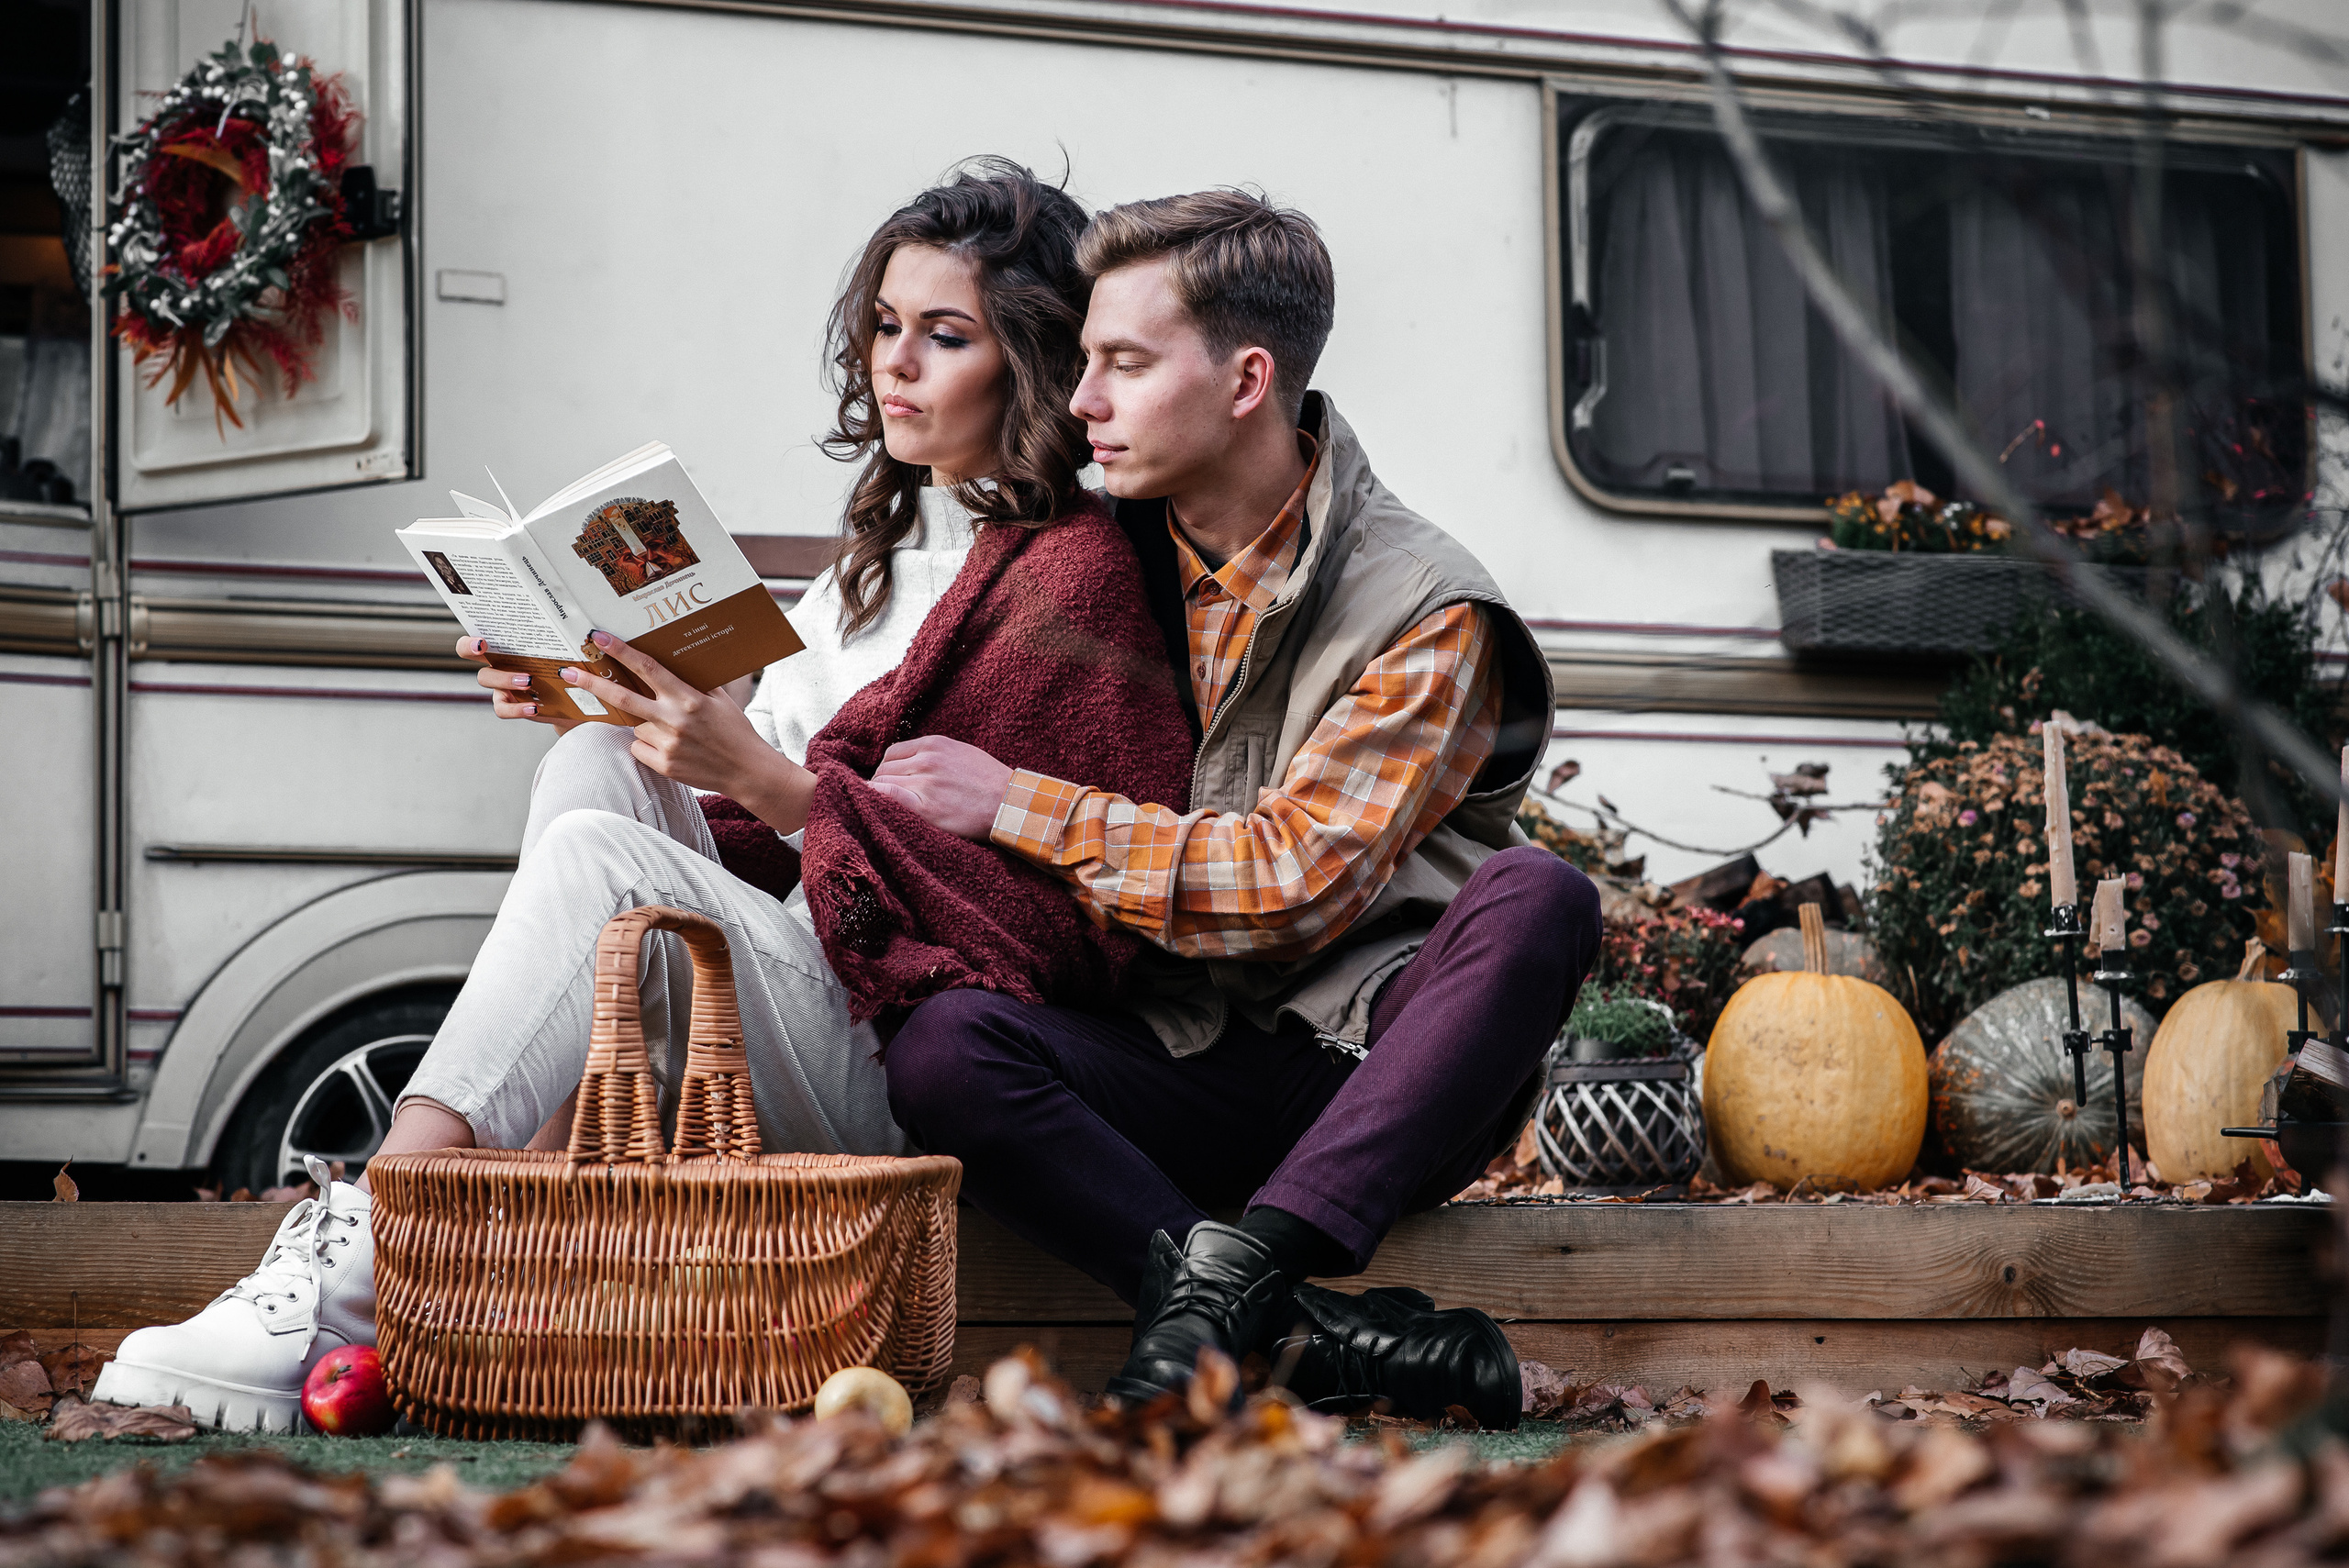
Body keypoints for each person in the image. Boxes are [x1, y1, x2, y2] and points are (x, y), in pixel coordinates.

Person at [91, 158, 1151, 1434]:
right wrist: (588, 694)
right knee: (590, 769)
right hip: (791, 992)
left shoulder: (1077, 576)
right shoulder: (870, 564)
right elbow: (749, 821)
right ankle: (511, 1216)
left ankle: (374, 1251)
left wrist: (762, 775)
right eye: (883, 326)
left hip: (910, 1044)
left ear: (1029, 360)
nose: (896, 365)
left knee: (605, 850)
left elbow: (1055, 934)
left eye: (945, 335)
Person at [871, 190, 1603, 1427]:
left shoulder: (1429, 608)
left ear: (1246, 378)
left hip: (1364, 1076)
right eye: (1084, 361)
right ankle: (1279, 1321)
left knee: (1543, 895)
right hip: (1171, 1061)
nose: (1084, 399)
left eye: (1124, 365)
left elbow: (1287, 884)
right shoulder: (1093, 557)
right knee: (944, 1048)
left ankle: (1240, 1279)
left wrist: (1020, 805)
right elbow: (894, 735)